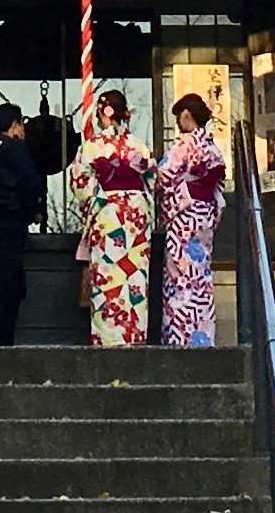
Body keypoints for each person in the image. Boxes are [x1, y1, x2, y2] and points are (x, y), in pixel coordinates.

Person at [68, 88, 153, 347]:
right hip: (136, 216)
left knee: (108, 278)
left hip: (107, 213)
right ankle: (133, 337)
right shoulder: (139, 146)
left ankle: (106, 339)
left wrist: (95, 202)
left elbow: (80, 181)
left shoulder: (92, 147)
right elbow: (152, 180)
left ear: (103, 114)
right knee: (135, 277)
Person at [153, 94, 230, 346]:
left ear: (187, 116)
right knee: (201, 273)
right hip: (204, 214)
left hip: (184, 214)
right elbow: (217, 179)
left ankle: (180, 337)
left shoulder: (183, 146)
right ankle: (203, 337)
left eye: (179, 116)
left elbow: (162, 178)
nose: (178, 121)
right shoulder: (211, 147)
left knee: (179, 274)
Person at [0, 101, 44, 346]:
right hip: (11, 223)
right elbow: (31, 182)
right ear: (15, 125)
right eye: (22, 124)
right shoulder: (15, 148)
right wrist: (32, 212)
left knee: (6, 281)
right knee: (6, 284)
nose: (24, 129)